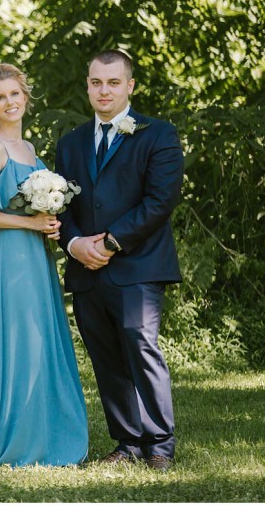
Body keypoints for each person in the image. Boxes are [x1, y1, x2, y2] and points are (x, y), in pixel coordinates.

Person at [55, 50, 183, 471]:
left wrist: (108, 244)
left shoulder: (158, 134)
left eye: (113, 82)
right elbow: (63, 206)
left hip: (138, 265)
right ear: (88, 85)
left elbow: (159, 201)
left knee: (139, 345)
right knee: (105, 354)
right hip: (86, 268)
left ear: (130, 85)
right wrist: (75, 245)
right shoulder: (71, 142)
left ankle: (160, 443)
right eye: (96, 82)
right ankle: (127, 441)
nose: (103, 90)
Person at [0, 63, 88, 467]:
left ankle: (47, 432)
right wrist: (29, 222)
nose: (9, 102)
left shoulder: (29, 148)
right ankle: (19, 439)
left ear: (26, 96)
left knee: (40, 338)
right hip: (10, 258)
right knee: (20, 342)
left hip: (36, 255)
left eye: (14, 94)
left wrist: (48, 223)